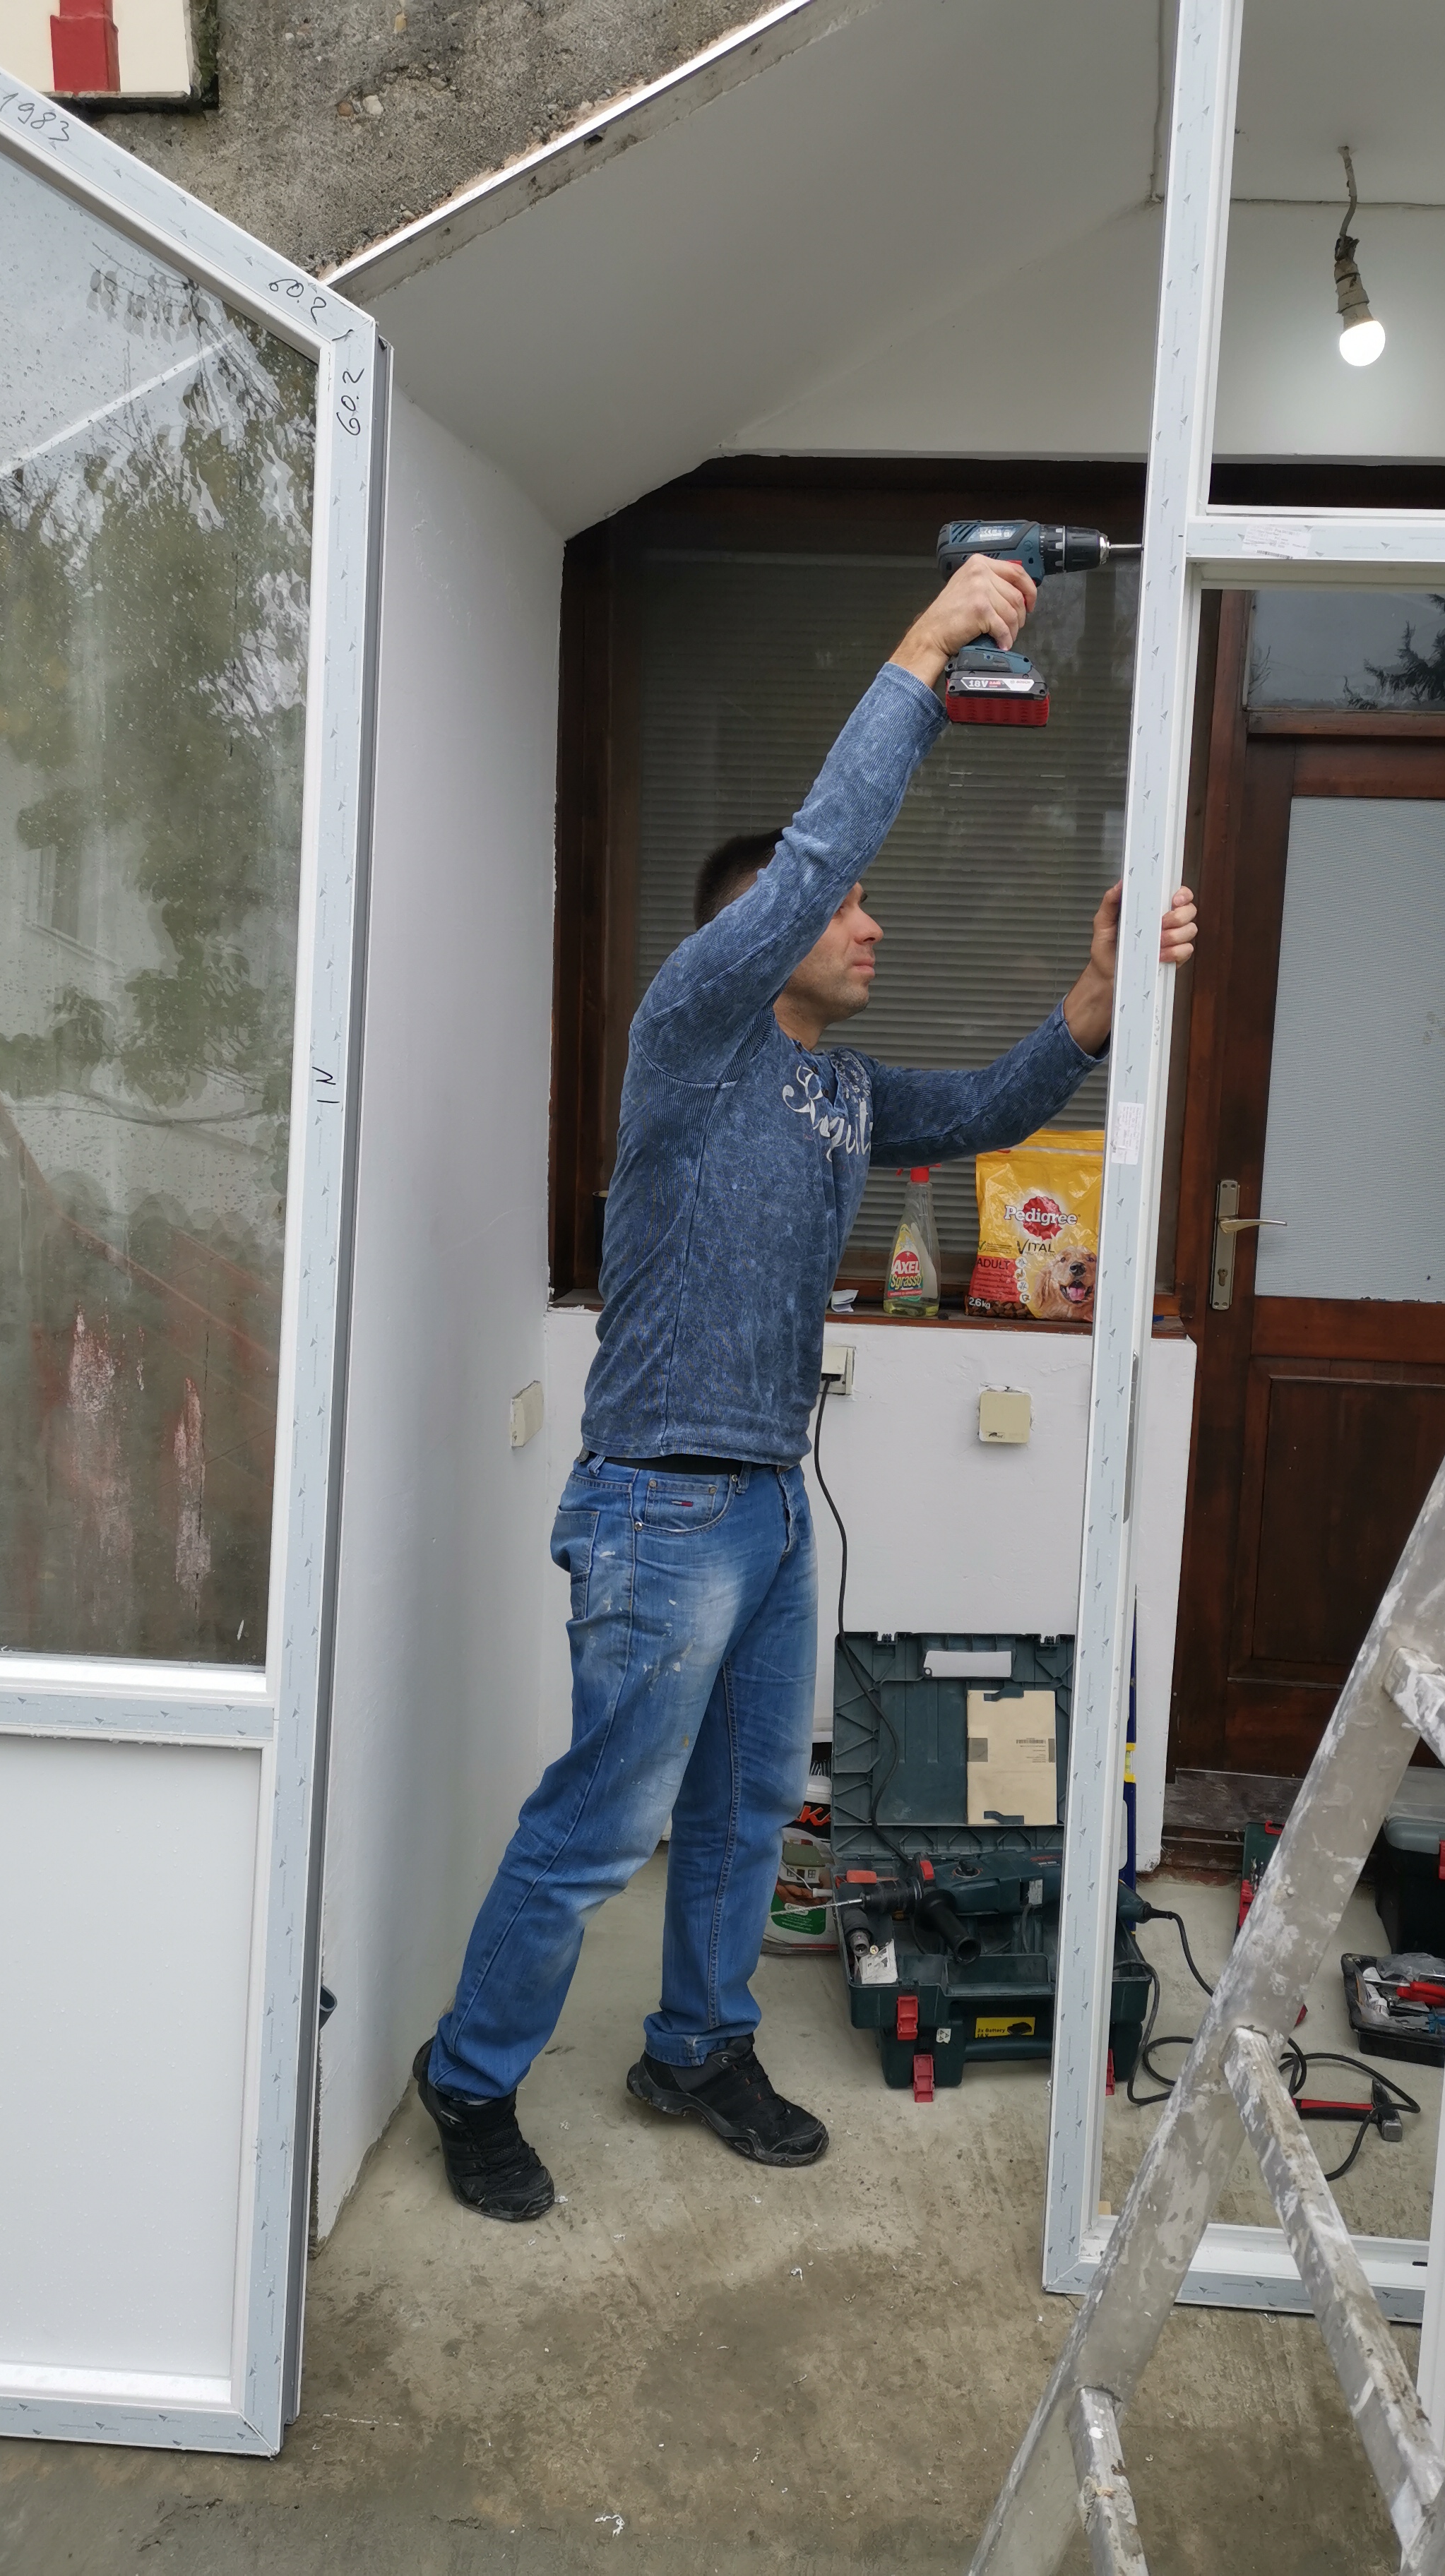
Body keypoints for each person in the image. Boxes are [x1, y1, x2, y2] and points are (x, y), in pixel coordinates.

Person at [413, 554, 1199, 2219]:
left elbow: (985, 1111)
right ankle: (469, 2076)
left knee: (754, 1804)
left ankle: (698, 2046)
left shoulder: (836, 1088)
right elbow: (827, 849)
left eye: (858, 909)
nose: (871, 922)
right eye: (841, 912)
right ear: (754, 930)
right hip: (659, 1506)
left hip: (767, 1509)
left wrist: (1093, 1001)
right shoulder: (693, 1035)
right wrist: (925, 649)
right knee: (602, 1821)